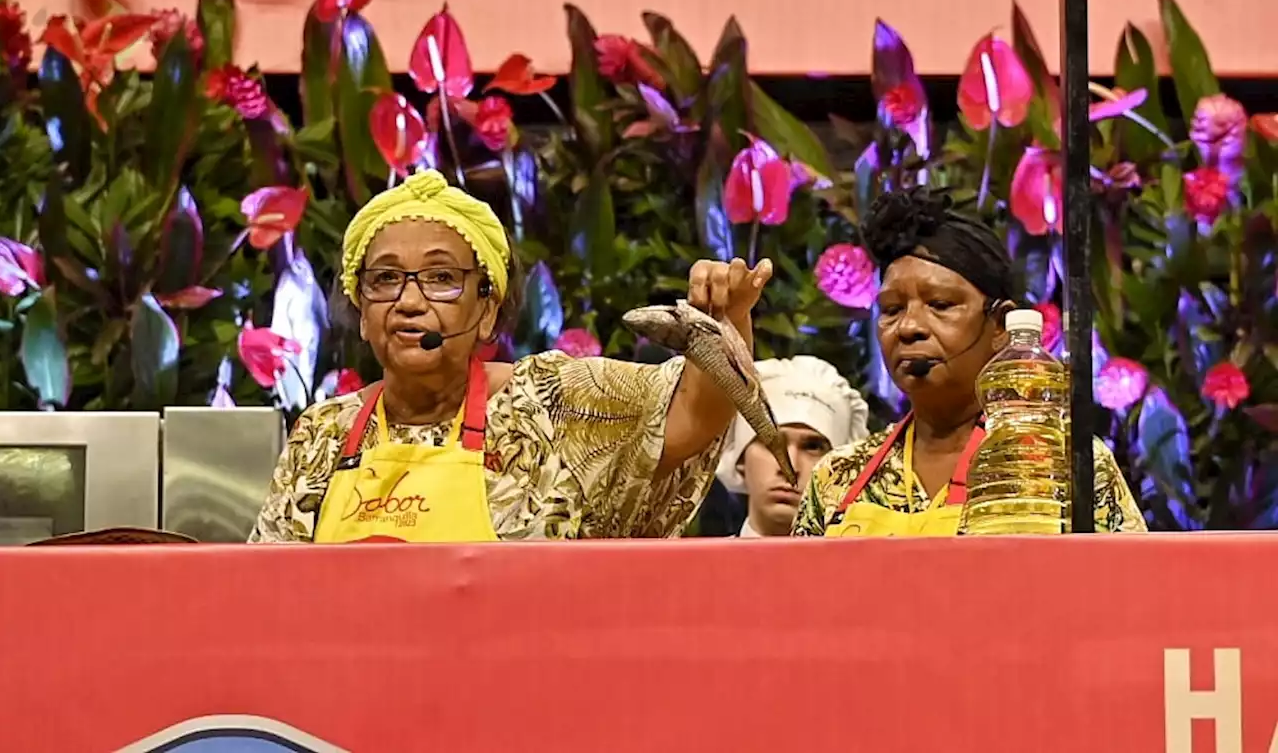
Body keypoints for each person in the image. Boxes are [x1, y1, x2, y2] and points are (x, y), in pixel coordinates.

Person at [249, 170, 773, 543]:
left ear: (487, 312)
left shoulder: (552, 401)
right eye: (385, 279)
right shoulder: (325, 434)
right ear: (362, 312)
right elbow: (272, 595)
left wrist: (724, 319)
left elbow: (691, 417)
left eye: (441, 279)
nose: (409, 301)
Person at [793, 188, 1147, 537]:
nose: (909, 327)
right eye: (891, 310)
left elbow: (1128, 588)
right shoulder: (839, 477)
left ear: (1000, 325)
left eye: (941, 304)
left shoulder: (1069, 464)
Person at [715, 357, 869, 536]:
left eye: (812, 447)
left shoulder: (864, 565)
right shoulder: (695, 564)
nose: (790, 467)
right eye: (772, 443)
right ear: (740, 457)